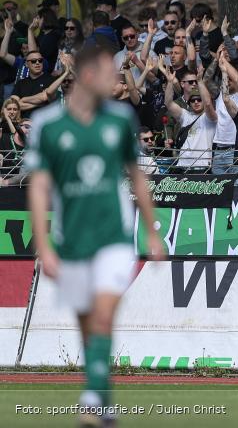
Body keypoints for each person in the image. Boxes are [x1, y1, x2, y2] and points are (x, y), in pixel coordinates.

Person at [27, 45, 166, 427]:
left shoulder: (120, 119)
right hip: (71, 240)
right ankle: (102, 401)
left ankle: (91, 400)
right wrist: (44, 244)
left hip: (114, 237)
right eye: (111, 74)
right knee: (88, 326)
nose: (117, 81)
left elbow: (137, 176)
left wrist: (152, 232)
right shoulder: (48, 125)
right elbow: (39, 187)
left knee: (103, 317)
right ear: (89, 77)